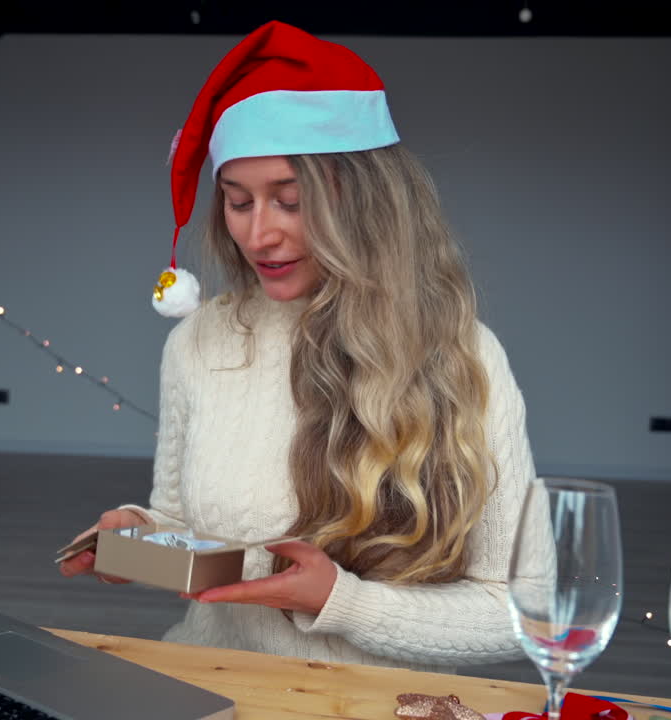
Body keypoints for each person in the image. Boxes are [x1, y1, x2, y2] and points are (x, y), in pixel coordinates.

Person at [60, 20, 536, 674]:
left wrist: (345, 602)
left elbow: (526, 609)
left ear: (365, 205)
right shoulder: (198, 343)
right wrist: (137, 532)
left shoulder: (465, 356)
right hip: (214, 684)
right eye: (238, 202)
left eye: (291, 201)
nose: (261, 236)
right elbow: (181, 514)